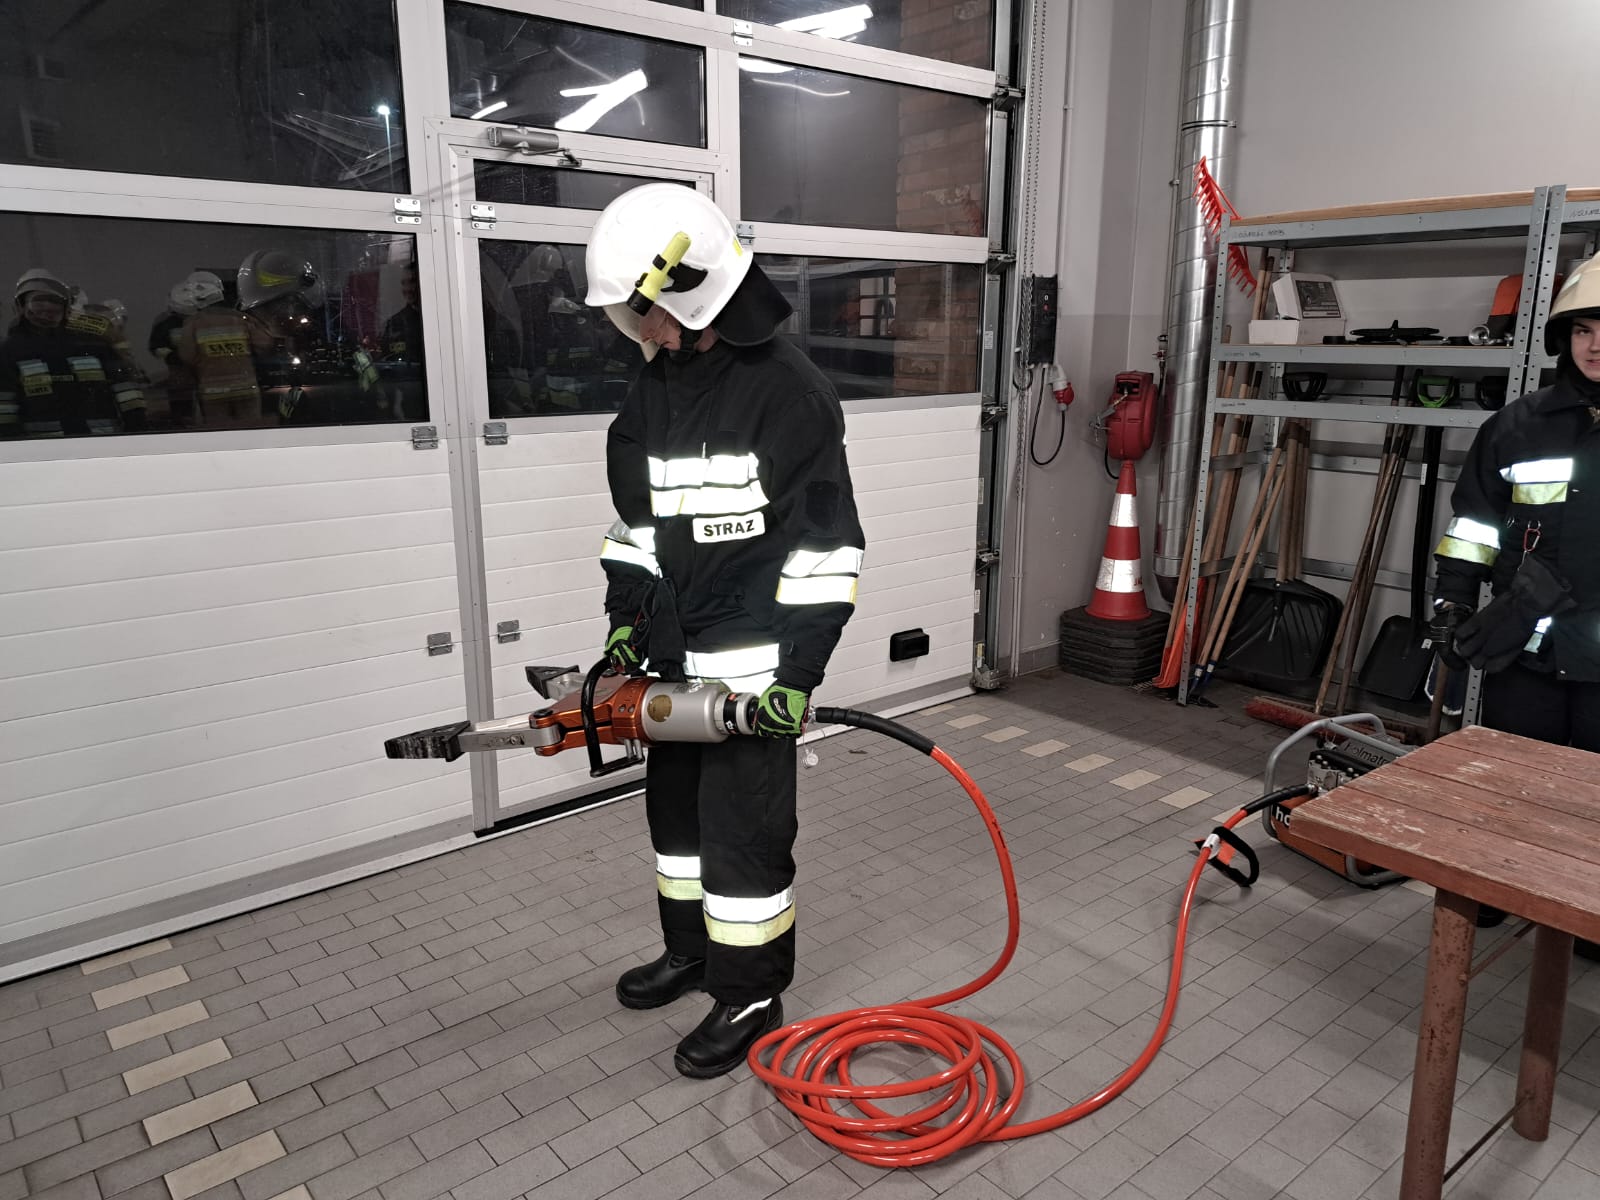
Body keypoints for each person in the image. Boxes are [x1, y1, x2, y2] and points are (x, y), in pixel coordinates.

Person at [588, 184, 865, 1078]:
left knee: (743, 841)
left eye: (648, 313)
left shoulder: (791, 396)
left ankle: (749, 992)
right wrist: (627, 624)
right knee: (676, 827)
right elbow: (638, 523)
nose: (642, 332)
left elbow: (826, 549)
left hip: (753, 678)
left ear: (695, 289)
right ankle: (692, 954)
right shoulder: (658, 385)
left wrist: (798, 676)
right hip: (671, 668)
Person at [1431, 248, 1600, 944]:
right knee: (1507, 781)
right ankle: (1494, 884)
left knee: (1592, 802)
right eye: (1585, 329)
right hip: (1525, 651)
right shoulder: (1516, 426)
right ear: (1564, 336)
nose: (1597, 345)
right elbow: (1474, 524)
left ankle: (1585, 913)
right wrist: (1452, 603)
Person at [0, 269, 146, 438]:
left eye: (54, 302)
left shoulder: (93, 344)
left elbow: (125, 388)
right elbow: (4, 404)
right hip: (43, 445)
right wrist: (11, 440)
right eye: (38, 302)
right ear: (21, 306)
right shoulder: (9, 351)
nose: (47, 308)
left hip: (102, 441)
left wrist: (136, 426)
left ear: (66, 308)